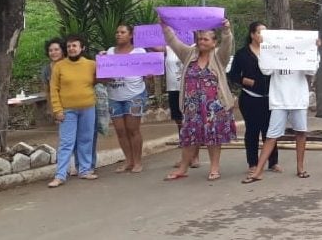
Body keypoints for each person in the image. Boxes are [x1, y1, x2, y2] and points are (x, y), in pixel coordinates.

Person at [162, 18, 237, 182]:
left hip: (215, 106)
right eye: (199, 39)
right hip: (192, 106)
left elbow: (227, 44)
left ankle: (214, 168)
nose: (201, 42)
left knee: (213, 137)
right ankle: (182, 168)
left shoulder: (219, 57)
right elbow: (173, 41)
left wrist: (226, 30)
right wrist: (165, 26)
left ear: (213, 42)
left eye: (205, 39)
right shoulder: (189, 54)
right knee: (188, 136)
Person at [241, 62, 313, 183]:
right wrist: (266, 51)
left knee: (300, 133)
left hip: (298, 99)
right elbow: (266, 70)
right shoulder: (276, 47)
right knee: (271, 136)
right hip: (279, 100)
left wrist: (312, 48)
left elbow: (312, 70)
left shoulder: (303, 47)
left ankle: (300, 168)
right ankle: (258, 172)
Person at [228, 21, 279, 175]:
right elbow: (233, 75)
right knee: (252, 130)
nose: (262, 35)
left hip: (269, 97)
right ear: (252, 35)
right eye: (259, 32)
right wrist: (245, 80)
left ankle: (273, 162)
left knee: (270, 131)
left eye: (265, 32)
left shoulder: (272, 52)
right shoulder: (242, 54)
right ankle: (253, 163)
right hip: (250, 97)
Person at [47, 34, 98, 187]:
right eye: (69, 46)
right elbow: (53, 89)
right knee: (66, 143)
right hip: (67, 110)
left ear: (82, 48)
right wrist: (57, 110)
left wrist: (104, 58)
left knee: (86, 140)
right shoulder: (59, 66)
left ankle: (84, 170)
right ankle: (60, 175)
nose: (71, 49)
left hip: (88, 108)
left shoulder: (91, 64)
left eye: (74, 46)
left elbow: (106, 73)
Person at [100, 24, 147, 173]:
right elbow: (105, 75)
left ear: (131, 35)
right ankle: (129, 160)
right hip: (114, 96)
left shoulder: (139, 52)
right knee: (120, 130)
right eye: (117, 32)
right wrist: (102, 62)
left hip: (134, 95)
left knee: (133, 129)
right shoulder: (109, 52)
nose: (118, 34)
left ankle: (138, 161)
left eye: (122, 32)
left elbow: (147, 72)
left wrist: (150, 72)